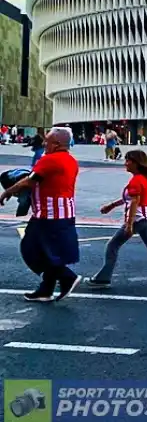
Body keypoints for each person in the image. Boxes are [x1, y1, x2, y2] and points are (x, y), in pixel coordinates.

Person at [0, 127, 81, 302]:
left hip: (48, 214)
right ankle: (46, 290)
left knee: (30, 249)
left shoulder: (50, 160)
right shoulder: (71, 160)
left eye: (47, 141)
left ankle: (67, 277)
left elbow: (30, 181)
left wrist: (7, 192)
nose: (44, 144)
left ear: (57, 144)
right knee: (48, 251)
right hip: (64, 212)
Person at [87, 150, 147, 288]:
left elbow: (134, 202)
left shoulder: (136, 180)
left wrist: (129, 224)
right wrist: (112, 205)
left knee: (113, 245)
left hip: (138, 219)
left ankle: (103, 278)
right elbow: (128, 198)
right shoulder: (144, 178)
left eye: (128, 160)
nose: (125, 163)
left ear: (136, 163)